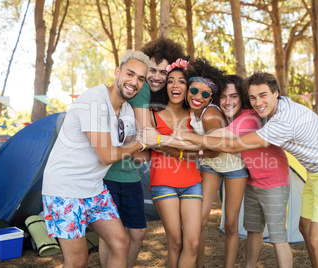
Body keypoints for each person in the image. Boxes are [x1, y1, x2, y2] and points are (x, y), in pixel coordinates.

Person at [140, 72, 318, 268]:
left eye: (263, 95)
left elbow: (226, 144)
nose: (258, 102)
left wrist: (163, 139)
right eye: (253, 97)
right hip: (302, 174)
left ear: (276, 93)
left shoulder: (276, 121)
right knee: (303, 229)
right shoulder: (264, 111)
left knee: (305, 238)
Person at [41, 50, 151, 268]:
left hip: (93, 189)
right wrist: (142, 141)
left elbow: (135, 151)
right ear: (117, 72)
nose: (134, 82)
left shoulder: (127, 111)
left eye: (140, 79)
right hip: (65, 189)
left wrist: (170, 142)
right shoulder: (94, 100)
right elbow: (108, 155)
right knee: (77, 261)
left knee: (121, 243)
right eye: (130, 74)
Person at [101, 38, 187, 267]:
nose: (157, 77)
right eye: (152, 70)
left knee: (135, 234)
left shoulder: (156, 97)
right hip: (110, 171)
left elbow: (146, 147)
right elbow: (146, 136)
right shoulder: (142, 90)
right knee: (114, 237)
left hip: (130, 175)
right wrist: (187, 146)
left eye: (163, 72)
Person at [221, 75, 293, 267]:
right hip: (253, 181)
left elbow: (216, 138)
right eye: (224, 97)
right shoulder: (240, 116)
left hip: (274, 181)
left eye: (234, 96)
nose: (229, 101)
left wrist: (172, 138)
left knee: (278, 237)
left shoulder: (248, 118)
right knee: (253, 230)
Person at [183, 62, 248, 268]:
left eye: (204, 93)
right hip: (210, 165)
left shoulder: (210, 114)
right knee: (199, 221)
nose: (198, 96)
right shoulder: (194, 108)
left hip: (234, 166)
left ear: (210, 97)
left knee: (230, 224)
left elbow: (216, 147)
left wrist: (186, 151)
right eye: (193, 90)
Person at [148, 59, 203, 268]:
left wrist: (172, 146)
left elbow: (202, 152)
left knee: (193, 243)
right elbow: (151, 146)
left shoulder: (195, 117)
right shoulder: (153, 116)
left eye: (181, 81)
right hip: (163, 182)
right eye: (170, 81)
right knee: (176, 241)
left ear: (188, 88)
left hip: (192, 181)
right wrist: (187, 147)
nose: (175, 85)